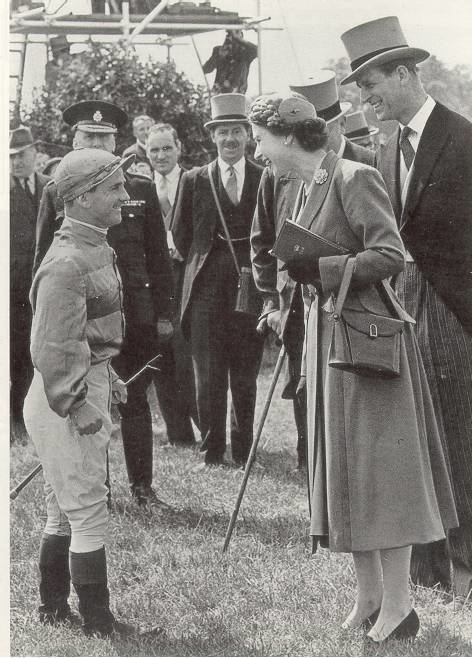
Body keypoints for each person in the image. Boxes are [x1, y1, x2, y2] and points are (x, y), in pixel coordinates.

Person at [249, 91, 458, 643]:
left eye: (261, 138)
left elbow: (390, 254)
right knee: (345, 471)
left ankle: (401, 606)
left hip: (368, 344)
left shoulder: (353, 177)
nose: (257, 148)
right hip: (329, 340)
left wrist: (322, 265)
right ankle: (369, 598)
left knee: (380, 476)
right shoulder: (303, 185)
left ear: (288, 137)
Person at [341, 15, 472, 601]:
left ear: (403, 73)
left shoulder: (464, 139)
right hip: (402, 311)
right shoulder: (382, 145)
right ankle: (427, 569)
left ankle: (466, 568)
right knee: (415, 437)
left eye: (371, 84)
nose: (364, 97)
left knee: (461, 436)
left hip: (456, 314)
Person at [33, 100, 176, 506]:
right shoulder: (56, 192)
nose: (96, 143)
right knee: (90, 399)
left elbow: (158, 257)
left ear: (118, 142)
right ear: (74, 140)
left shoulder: (140, 188)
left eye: (105, 138)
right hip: (81, 317)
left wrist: (165, 313)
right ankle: (100, 490)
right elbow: (43, 259)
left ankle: (143, 487)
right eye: (89, 137)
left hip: (134, 313)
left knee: (134, 400)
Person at [24, 148, 136, 637]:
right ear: (84, 196)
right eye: (114, 188)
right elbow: (51, 346)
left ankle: (52, 610)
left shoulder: (95, 246)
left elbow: (87, 330)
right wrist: (78, 401)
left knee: (63, 507)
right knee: (88, 507)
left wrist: (105, 376)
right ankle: (99, 624)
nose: (125, 196)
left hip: (81, 381)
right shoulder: (66, 262)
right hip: (61, 396)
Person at [252, 71, 375, 471]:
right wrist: (272, 300)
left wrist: (324, 268)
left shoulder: (363, 169)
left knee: (348, 411)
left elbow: (387, 251)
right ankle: (313, 478)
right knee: (305, 390)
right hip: (299, 306)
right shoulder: (280, 174)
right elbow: (263, 238)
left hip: (351, 314)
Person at [172, 94, 264, 467]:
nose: (230, 139)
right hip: (207, 288)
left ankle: (243, 452)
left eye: (237, 131)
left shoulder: (264, 177)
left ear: (248, 135)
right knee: (207, 374)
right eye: (222, 132)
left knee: (246, 372)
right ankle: (212, 451)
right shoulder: (195, 179)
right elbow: (179, 235)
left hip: (250, 286)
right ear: (213, 137)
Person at [146, 122, 198, 444]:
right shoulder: (140, 186)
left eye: (167, 148)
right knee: (160, 354)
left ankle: (205, 425)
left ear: (178, 147)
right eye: (154, 149)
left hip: (186, 277)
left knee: (189, 356)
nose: (161, 155)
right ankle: (178, 433)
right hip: (156, 283)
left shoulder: (193, 181)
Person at [10, 126, 51, 444]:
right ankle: (14, 423)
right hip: (11, 288)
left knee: (34, 351)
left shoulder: (48, 186)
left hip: (43, 283)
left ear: (35, 152)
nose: (16, 162)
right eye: (10, 157)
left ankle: (31, 418)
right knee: (13, 356)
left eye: (21, 155)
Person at [203, 30, 258, 95]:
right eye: (230, 34)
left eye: (237, 33)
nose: (232, 36)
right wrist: (218, 56)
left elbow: (257, 50)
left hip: (237, 92)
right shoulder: (219, 50)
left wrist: (237, 38)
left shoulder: (245, 53)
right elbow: (206, 70)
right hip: (219, 92)